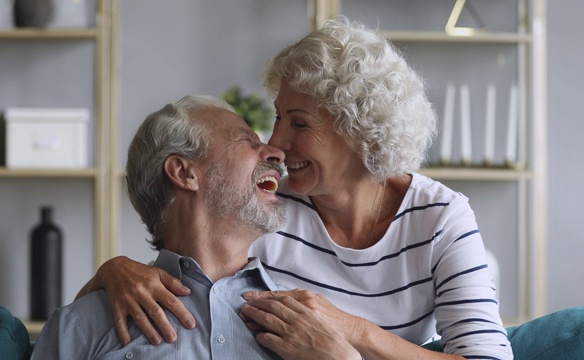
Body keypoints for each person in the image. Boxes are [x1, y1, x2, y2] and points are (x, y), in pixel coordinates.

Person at [77, 17, 512, 359]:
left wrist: (350, 332)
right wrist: (113, 270)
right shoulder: (268, 208)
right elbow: (188, 263)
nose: (277, 143)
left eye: (299, 123)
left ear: (361, 132)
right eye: (278, 116)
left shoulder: (439, 217)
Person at [32, 95, 361, 359]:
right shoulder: (82, 324)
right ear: (184, 172)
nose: (276, 152)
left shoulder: (316, 319)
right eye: (246, 140)